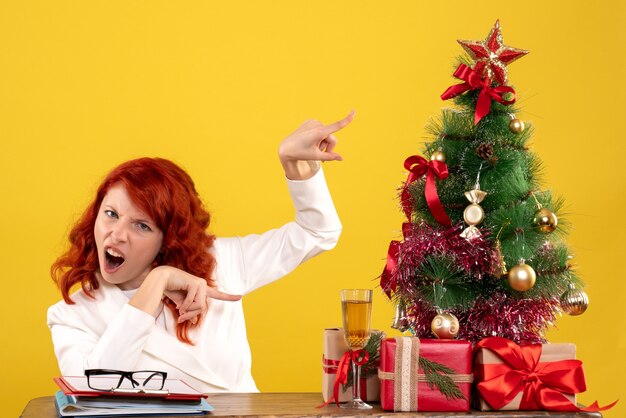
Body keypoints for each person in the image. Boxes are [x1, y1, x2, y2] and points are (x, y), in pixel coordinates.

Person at [47, 111, 354, 393]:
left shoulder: (221, 263)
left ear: (167, 239)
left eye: (142, 226)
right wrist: (158, 280)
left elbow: (318, 233)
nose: (117, 234)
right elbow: (95, 392)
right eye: (111, 214)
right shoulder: (71, 316)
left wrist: (296, 167)